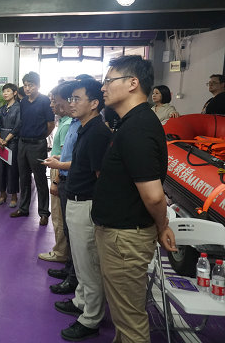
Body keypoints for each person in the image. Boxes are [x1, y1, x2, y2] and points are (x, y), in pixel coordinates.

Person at [92, 55, 177, 343]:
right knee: (123, 315)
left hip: (125, 239)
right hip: (120, 235)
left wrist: (163, 226)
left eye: (108, 81)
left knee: (130, 321)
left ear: (132, 83)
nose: (103, 87)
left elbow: (153, 196)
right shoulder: (131, 123)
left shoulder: (138, 128)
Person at [44, 79, 112, 341]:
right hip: (74, 198)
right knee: (81, 263)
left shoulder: (97, 133)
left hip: (87, 203)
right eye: (70, 99)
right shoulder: (84, 127)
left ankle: (90, 318)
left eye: (77, 99)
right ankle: (81, 301)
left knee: (89, 265)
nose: (71, 104)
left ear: (94, 103)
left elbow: (100, 176)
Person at [11, 71, 55, 226]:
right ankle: (23, 208)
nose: (27, 88)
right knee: (23, 177)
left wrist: (40, 137)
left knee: (40, 178)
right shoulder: (23, 102)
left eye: (31, 85)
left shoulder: (44, 101)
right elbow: (22, 121)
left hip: (37, 144)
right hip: (22, 143)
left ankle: (43, 213)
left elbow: (51, 124)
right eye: (25, 85)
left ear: (38, 85)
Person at [38, 84, 72, 263]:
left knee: (58, 215)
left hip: (60, 170)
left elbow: (66, 155)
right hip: (58, 166)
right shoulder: (66, 122)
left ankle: (60, 252)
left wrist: (56, 180)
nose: (51, 105)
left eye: (54, 101)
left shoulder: (67, 125)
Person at [0, 83, 20, 208]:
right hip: (1, 142)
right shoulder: (2, 108)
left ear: (15, 93)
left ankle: (14, 196)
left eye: (8, 91)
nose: (5, 93)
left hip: (12, 142)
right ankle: (2, 194)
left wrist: (6, 139)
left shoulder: (18, 107)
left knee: (12, 169)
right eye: (4, 91)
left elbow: (17, 126)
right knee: (0, 169)